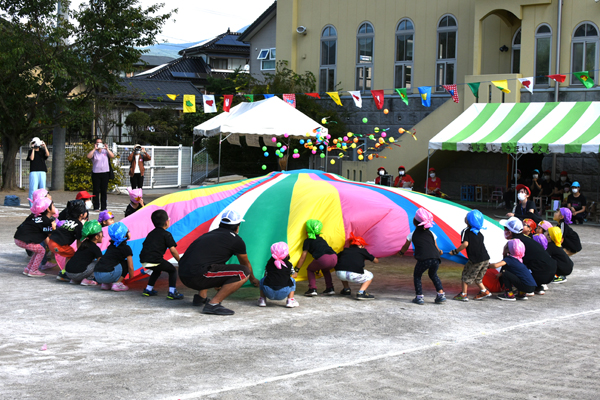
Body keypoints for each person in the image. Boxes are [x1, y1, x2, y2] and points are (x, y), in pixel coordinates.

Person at [178, 210, 259, 316]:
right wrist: (253, 279)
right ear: (237, 226)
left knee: (210, 263)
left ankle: (201, 297)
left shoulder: (209, 234)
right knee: (243, 272)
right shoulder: (236, 240)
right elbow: (245, 263)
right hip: (197, 276)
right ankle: (213, 304)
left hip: (183, 274)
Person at [398, 207, 446, 305]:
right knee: (433, 275)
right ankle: (441, 294)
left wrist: (401, 253)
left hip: (424, 259)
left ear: (415, 222)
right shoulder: (431, 233)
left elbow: (405, 246)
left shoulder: (412, 234)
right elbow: (436, 247)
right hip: (436, 259)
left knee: (417, 275)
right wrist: (440, 251)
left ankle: (419, 297)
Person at [501, 217, 556, 295]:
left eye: (505, 228)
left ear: (510, 231)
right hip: (550, 272)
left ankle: (524, 289)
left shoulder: (515, 243)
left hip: (539, 273)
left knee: (511, 265)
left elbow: (511, 262)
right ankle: (538, 287)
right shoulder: (527, 239)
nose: (504, 231)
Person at [139, 209, 183, 300]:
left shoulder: (151, 233)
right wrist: (180, 261)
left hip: (143, 260)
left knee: (157, 270)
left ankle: (148, 289)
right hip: (155, 260)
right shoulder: (166, 234)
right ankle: (172, 292)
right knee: (172, 270)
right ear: (166, 222)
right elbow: (173, 250)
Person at [450, 210, 491, 301]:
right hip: (485, 259)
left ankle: (464, 294)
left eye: (467, 217)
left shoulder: (466, 231)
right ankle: (484, 290)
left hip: (475, 260)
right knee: (478, 278)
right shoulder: (479, 233)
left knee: (466, 275)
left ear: (469, 221)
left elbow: (465, 244)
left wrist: (455, 251)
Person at [14, 197, 56, 277]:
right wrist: (52, 251)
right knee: (41, 250)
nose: (55, 208)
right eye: (53, 206)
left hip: (18, 238)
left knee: (38, 250)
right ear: (48, 209)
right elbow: (49, 237)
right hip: (23, 240)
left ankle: (28, 268)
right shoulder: (47, 221)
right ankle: (33, 270)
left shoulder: (35, 216)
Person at [295, 219, 338, 297]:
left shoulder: (307, 241)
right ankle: (330, 288)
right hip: (334, 257)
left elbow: (303, 257)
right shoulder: (321, 239)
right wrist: (318, 269)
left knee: (310, 269)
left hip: (324, 259)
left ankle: (312, 289)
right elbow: (320, 254)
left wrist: (296, 270)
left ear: (307, 231)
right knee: (325, 270)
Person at [48, 200, 88, 281]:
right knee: (72, 254)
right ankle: (64, 273)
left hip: (51, 242)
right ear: (81, 214)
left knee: (68, 253)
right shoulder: (79, 225)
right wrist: (80, 251)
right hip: (57, 245)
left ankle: (63, 271)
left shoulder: (68, 220)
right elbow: (79, 240)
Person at [335, 233, 379, 300]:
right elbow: (376, 261)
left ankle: (346, 289)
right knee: (370, 276)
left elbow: (336, 257)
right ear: (361, 245)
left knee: (343, 267)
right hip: (353, 275)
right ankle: (361, 293)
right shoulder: (363, 251)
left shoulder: (345, 250)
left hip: (339, 274)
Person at [94, 222, 134, 291]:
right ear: (124, 235)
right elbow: (130, 267)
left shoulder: (111, 246)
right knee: (125, 263)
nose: (129, 232)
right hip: (106, 275)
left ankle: (106, 284)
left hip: (97, 274)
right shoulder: (126, 248)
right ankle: (117, 284)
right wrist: (131, 279)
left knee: (113, 264)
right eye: (128, 231)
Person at [257, 242, 299, 308]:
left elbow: (266, 275)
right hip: (283, 293)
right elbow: (293, 275)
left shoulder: (269, 264)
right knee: (292, 280)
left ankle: (262, 300)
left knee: (263, 280)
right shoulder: (289, 264)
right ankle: (290, 300)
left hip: (268, 292)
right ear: (286, 254)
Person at [64, 220, 103, 286]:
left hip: (68, 272)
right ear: (96, 237)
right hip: (77, 274)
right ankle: (89, 279)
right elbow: (101, 262)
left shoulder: (84, 244)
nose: (103, 235)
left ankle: (75, 280)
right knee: (97, 263)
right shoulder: (95, 248)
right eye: (101, 233)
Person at [86, 137, 115, 211]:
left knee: (103, 190)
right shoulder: (94, 152)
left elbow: (112, 156)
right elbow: (88, 156)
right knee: (96, 190)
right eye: (97, 143)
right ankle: (96, 206)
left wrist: (107, 148)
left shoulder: (105, 152)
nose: (99, 144)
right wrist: (94, 149)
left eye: (100, 143)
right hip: (96, 173)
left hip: (105, 173)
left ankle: (103, 207)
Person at [27, 137, 49, 206]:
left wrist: (45, 147)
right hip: (34, 171)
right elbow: (31, 158)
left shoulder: (42, 151)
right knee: (33, 188)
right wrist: (33, 149)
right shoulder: (30, 151)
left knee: (42, 189)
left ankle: (42, 204)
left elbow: (47, 155)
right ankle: (32, 204)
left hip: (42, 171)